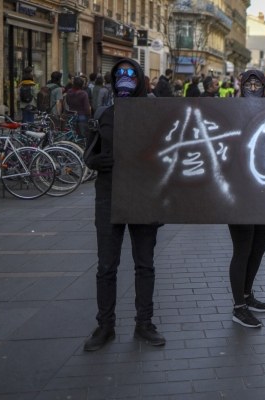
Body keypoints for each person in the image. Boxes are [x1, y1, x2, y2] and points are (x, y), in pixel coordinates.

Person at [84, 58, 165, 352]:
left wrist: (163, 204)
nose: (125, 77)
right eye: (120, 73)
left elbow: (169, 158)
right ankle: (105, 326)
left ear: (141, 79)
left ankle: (144, 323)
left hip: (143, 199)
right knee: (106, 266)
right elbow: (88, 153)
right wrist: (95, 161)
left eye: (131, 73)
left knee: (145, 264)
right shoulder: (104, 113)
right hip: (109, 198)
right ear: (112, 78)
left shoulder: (154, 115)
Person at [229, 69, 265, 329]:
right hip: (239, 193)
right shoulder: (232, 111)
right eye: (249, 82)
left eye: (258, 83)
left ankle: (247, 295)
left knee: (259, 246)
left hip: (264, 193)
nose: (253, 87)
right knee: (243, 248)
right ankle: (238, 307)